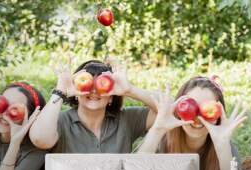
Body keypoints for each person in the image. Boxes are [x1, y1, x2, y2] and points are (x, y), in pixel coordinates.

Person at [138, 76, 248, 170]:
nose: (198, 118)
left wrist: (223, 147)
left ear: (219, 116)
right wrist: (157, 130)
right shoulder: (160, 143)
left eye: (206, 109)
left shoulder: (226, 149)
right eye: (191, 107)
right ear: (178, 109)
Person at [29, 59, 159, 153]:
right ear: (76, 93)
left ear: (111, 97)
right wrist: (60, 92)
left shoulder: (127, 119)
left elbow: (170, 109)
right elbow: (40, 139)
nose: (94, 91)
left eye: (101, 85)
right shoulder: (60, 121)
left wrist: (130, 90)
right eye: (89, 83)